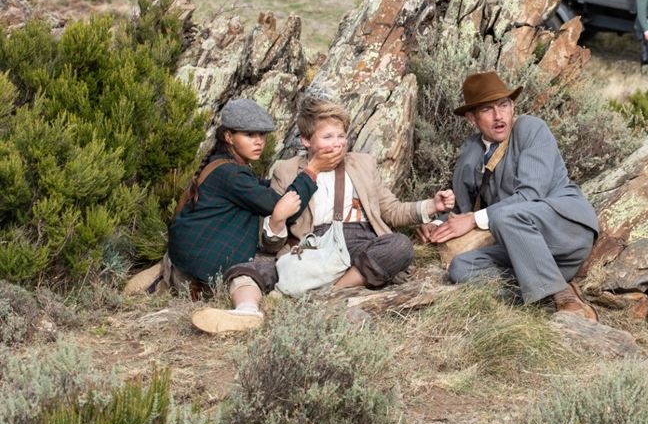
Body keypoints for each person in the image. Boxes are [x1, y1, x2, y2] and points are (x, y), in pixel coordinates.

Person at [421, 72, 599, 322]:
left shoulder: (530, 128)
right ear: (471, 118)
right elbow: (462, 209)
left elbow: (530, 196)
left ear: (512, 106)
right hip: (524, 248)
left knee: (505, 216)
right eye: (487, 109)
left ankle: (559, 293)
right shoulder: (472, 151)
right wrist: (438, 225)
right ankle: (549, 289)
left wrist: (473, 220)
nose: (498, 116)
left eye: (503, 105)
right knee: (461, 269)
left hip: (564, 233)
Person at [165, 98, 341, 334]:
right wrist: (313, 170)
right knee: (271, 266)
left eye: (262, 135)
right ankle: (246, 311)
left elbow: (265, 190)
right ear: (229, 137)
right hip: (201, 270)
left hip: (186, 260)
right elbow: (282, 207)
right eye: (250, 135)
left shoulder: (226, 166)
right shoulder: (231, 174)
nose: (259, 142)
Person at [266, 97, 455, 291]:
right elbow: (271, 239)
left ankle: (334, 291)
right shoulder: (286, 171)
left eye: (341, 136)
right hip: (317, 246)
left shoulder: (363, 164)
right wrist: (313, 170)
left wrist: (432, 205)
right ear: (306, 140)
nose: (337, 144)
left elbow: (391, 210)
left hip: (362, 241)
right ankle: (352, 279)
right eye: (328, 137)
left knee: (400, 245)